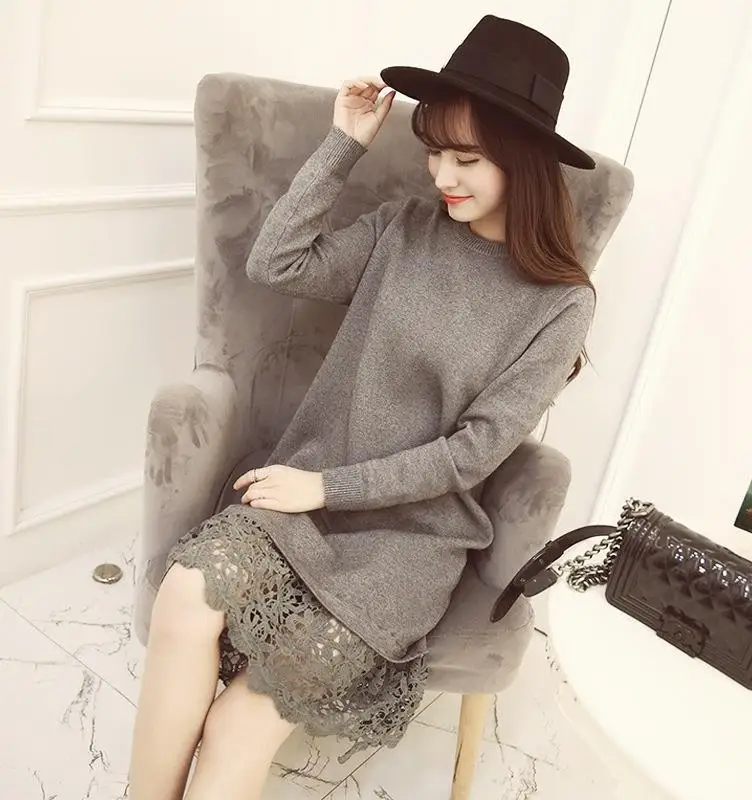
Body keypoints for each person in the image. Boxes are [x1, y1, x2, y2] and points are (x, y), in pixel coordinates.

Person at [128, 15, 596, 800]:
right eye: (435, 151)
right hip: (298, 502)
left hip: (405, 545)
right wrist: (344, 144)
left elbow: (472, 454)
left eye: (467, 158)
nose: (443, 174)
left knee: (237, 730)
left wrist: (327, 489)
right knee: (181, 599)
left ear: (522, 161)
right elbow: (278, 262)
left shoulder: (560, 304)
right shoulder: (403, 229)